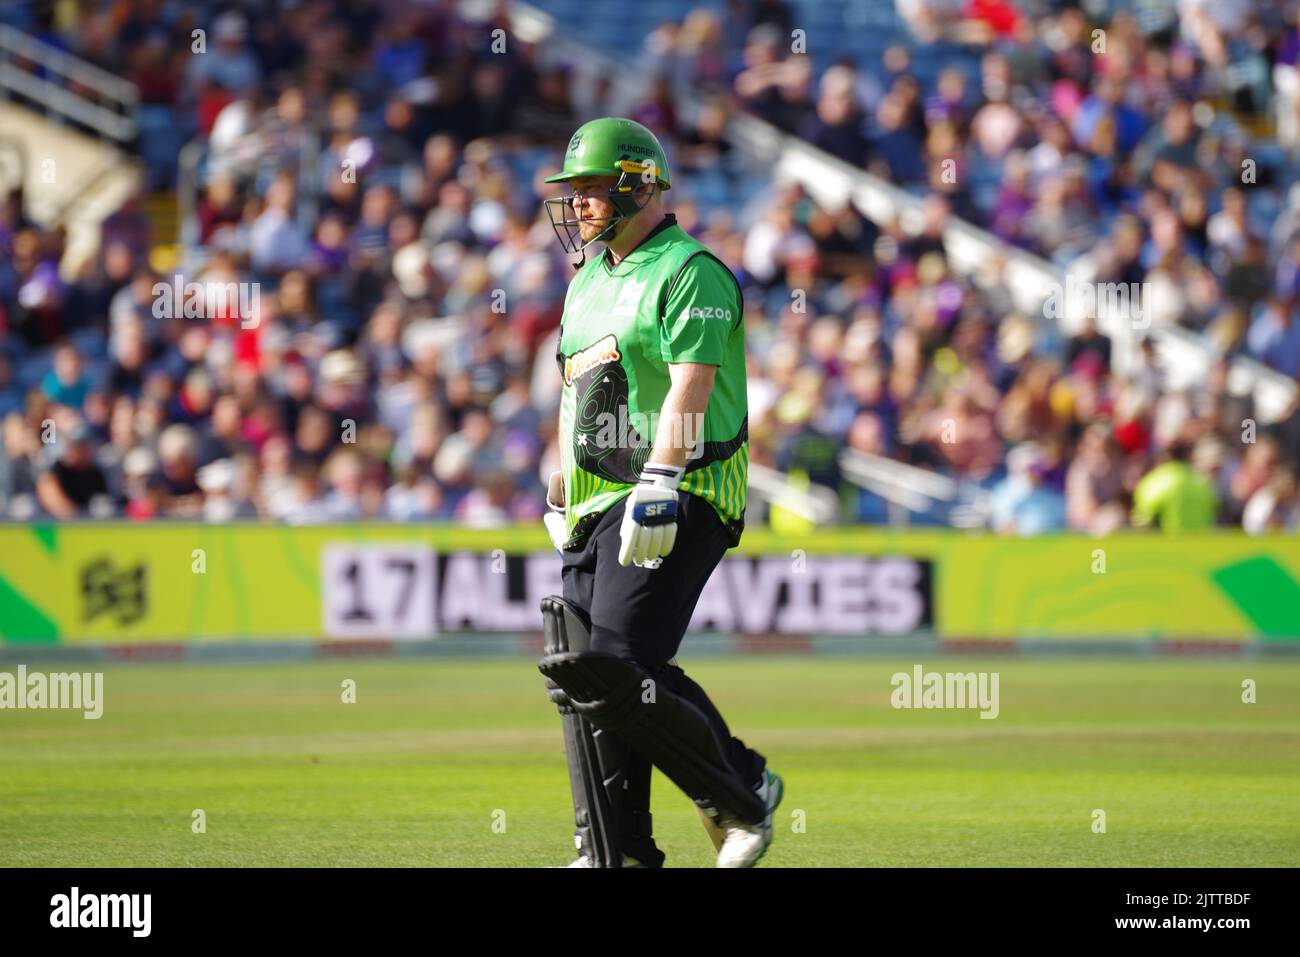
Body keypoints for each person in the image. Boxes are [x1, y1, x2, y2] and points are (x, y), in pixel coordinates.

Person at [536, 117, 782, 868]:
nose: (577, 205)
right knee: (583, 669)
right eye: (572, 192)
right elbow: (576, 395)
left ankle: (742, 793)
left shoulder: (690, 269)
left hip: (683, 485)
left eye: (589, 189)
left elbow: (691, 389)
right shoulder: (585, 283)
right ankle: (614, 848)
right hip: (597, 496)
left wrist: (660, 480)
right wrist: (559, 484)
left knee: (616, 657)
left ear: (638, 184)